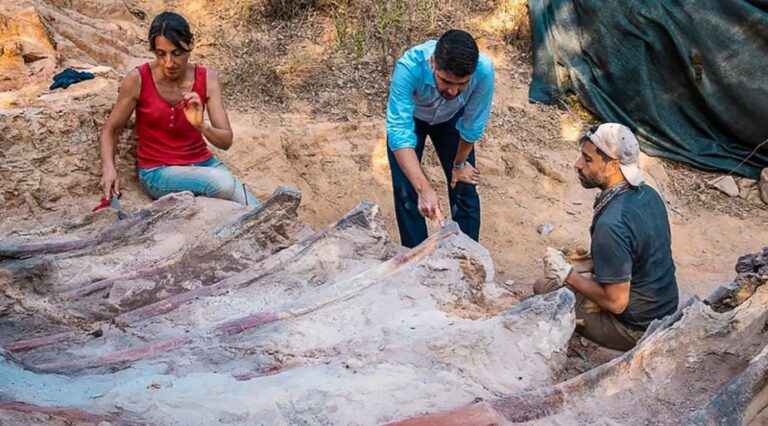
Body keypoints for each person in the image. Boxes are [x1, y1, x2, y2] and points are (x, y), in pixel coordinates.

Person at [538, 123, 679, 351]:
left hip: (636, 328)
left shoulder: (611, 225)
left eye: (588, 159)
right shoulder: (649, 194)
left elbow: (617, 303)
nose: (578, 164)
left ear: (613, 165)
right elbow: (638, 252)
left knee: (545, 286)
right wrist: (589, 262)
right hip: (665, 308)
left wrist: (568, 274)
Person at [98, 11, 258, 206]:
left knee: (258, 209)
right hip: (158, 172)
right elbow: (110, 130)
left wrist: (200, 125)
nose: (169, 62)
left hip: (204, 164)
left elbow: (225, 141)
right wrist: (109, 169)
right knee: (224, 184)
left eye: (177, 53)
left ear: (190, 45)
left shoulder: (208, 79)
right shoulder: (138, 79)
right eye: (161, 54)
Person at [386, 29, 494, 248]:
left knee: (464, 184)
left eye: (462, 84)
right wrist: (423, 189)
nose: (453, 91)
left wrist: (459, 164)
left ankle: (468, 256)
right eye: (445, 81)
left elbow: (472, 125)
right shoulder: (409, 67)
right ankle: (416, 256)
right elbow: (399, 132)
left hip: (453, 119)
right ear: (433, 62)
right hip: (413, 118)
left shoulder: (484, 71)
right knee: (407, 189)